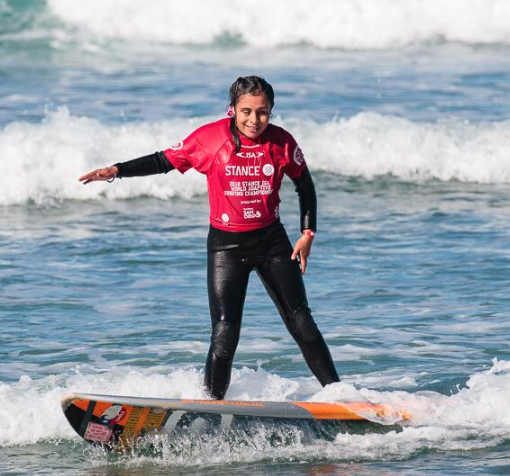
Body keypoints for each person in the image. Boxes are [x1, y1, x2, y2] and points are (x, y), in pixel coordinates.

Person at [79, 76, 340, 400]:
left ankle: (339, 395)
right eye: (246, 111)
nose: (254, 120)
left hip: (272, 243)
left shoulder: (282, 142)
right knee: (225, 333)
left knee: (302, 323)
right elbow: (164, 161)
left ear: (271, 111)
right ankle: (212, 405)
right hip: (227, 247)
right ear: (232, 110)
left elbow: (305, 185)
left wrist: (307, 234)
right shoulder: (209, 139)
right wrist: (117, 170)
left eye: (262, 113)